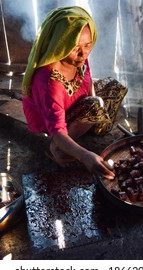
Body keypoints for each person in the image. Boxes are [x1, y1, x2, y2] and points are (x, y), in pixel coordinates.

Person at [21, 6, 124, 180]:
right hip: (54, 122)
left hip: (75, 103)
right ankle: (56, 147)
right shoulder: (49, 81)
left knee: (113, 88)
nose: (83, 52)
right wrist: (84, 156)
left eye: (88, 45)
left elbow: (89, 78)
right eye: (75, 47)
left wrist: (94, 97)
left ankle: (86, 126)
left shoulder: (79, 58)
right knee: (94, 108)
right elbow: (57, 129)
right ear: (60, 45)